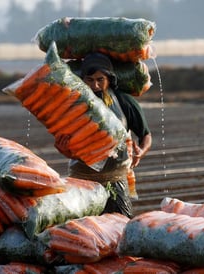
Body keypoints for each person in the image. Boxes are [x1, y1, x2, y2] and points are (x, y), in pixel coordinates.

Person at [54, 52, 152, 218]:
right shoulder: (72, 105)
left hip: (115, 180)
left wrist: (141, 151)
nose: (95, 86)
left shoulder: (124, 102)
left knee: (120, 225)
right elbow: (67, 144)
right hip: (82, 180)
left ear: (110, 79)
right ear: (82, 80)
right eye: (90, 80)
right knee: (86, 230)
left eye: (100, 80)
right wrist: (64, 150)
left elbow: (146, 135)